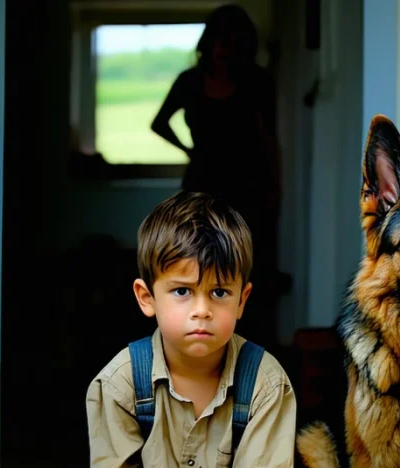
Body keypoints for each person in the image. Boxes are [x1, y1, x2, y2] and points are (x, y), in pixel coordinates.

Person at [86, 191, 296, 467]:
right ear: (146, 298)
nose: (201, 310)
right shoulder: (120, 385)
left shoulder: (265, 384)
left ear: (242, 301)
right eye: (182, 291)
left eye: (219, 292)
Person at [151, 4, 282, 351]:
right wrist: (190, 150)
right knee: (196, 262)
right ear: (209, 42)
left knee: (243, 268)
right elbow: (159, 123)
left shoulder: (257, 82)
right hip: (200, 186)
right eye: (222, 40)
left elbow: (270, 140)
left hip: (248, 187)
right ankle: (197, 347)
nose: (227, 48)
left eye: (236, 42)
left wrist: (275, 191)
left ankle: (248, 353)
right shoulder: (190, 81)